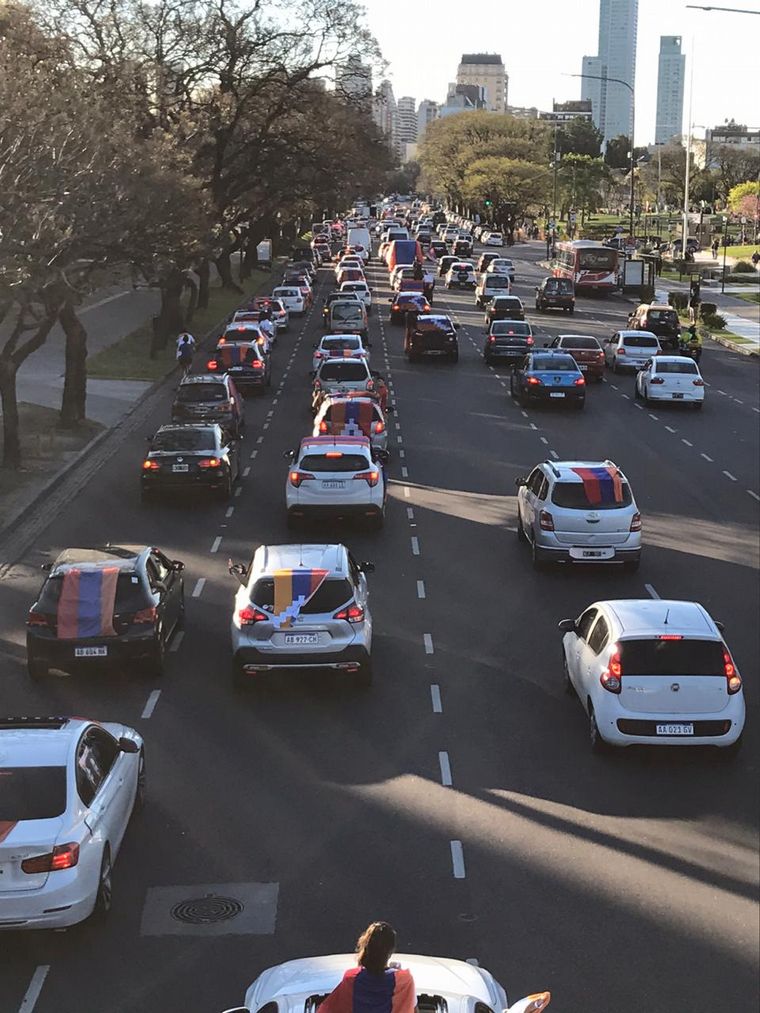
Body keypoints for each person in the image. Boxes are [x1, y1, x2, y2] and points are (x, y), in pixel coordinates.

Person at [317, 923, 415, 1013]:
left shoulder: (351, 978)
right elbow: (412, 1008)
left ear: (366, 947)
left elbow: (326, 1009)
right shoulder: (404, 981)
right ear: (391, 951)